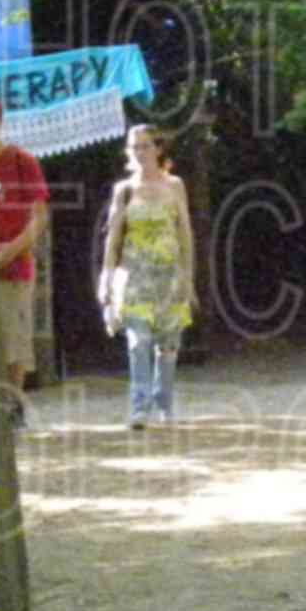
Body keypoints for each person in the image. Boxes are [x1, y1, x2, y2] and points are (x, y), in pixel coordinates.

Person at [99, 124, 195, 427]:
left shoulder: (175, 185)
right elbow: (113, 238)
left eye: (144, 146)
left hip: (168, 275)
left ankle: (164, 402)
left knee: (168, 344)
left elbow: (185, 234)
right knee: (137, 340)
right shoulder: (124, 190)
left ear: (158, 148)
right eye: (134, 146)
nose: (139, 152)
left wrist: (188, 276)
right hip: (135, 275)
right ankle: (139, 406)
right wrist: (106, 279)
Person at [0, 94, 47, 405]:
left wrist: (14, 248)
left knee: (15, 341)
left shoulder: (21, 161)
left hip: (13, 266)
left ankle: (13, 405)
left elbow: (39, 217)